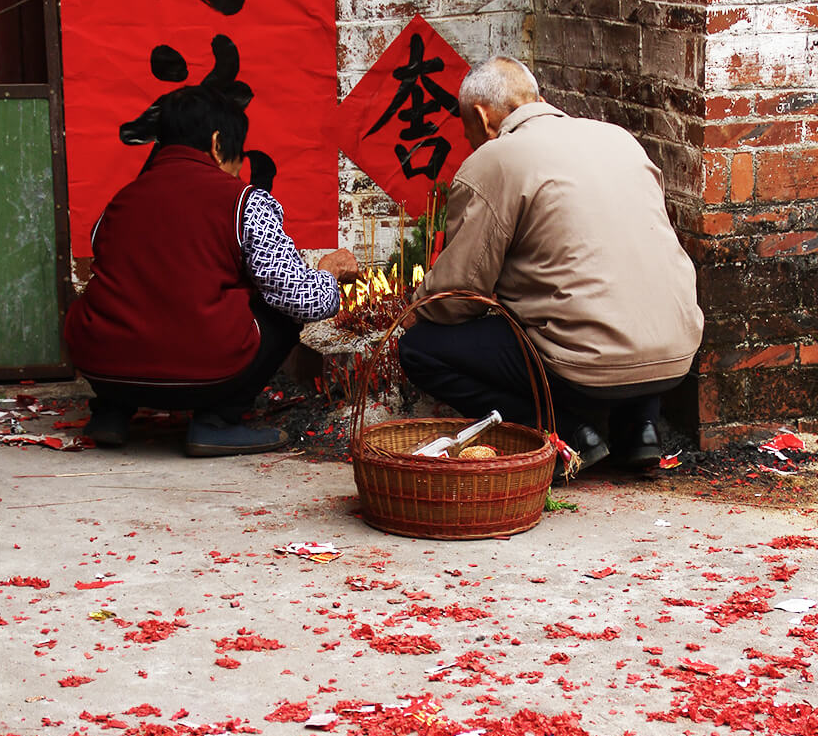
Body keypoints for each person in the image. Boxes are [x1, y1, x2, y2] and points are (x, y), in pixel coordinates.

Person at [398, 57, 704, 470]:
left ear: (480, 116)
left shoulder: (497, 158)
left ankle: (564, 430)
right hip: (676, 354)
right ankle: (640, 429)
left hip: (584, 364)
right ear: (537, 98)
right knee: (630, 296)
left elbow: (460, 295)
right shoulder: (619, 139)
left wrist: (416, 309)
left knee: (421, 349)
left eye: (465, 126)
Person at [65, 85, 359, 457]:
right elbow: (303, 300)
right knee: (281, 311)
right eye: (237, 156)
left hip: (105, 370)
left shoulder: (120, 201)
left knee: (112, 295)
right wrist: (327, 273)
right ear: (218, 144)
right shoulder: (243, 202)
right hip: (202, 376)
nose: (237, 169)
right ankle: (218, 420)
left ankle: (111, 412)